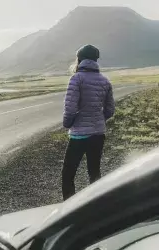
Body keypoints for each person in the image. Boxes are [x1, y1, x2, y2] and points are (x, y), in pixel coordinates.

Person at [61, 44, 115, 200]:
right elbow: (110, 110)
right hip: (98, 133)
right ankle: (96, 208)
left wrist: (67, 123)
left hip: (79, 135)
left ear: (80, 59)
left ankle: (69, 210)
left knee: (68, 174)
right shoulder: (105, 81)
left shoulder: (76, 78)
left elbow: (70, 109)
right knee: (94, 172)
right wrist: (97, 120)